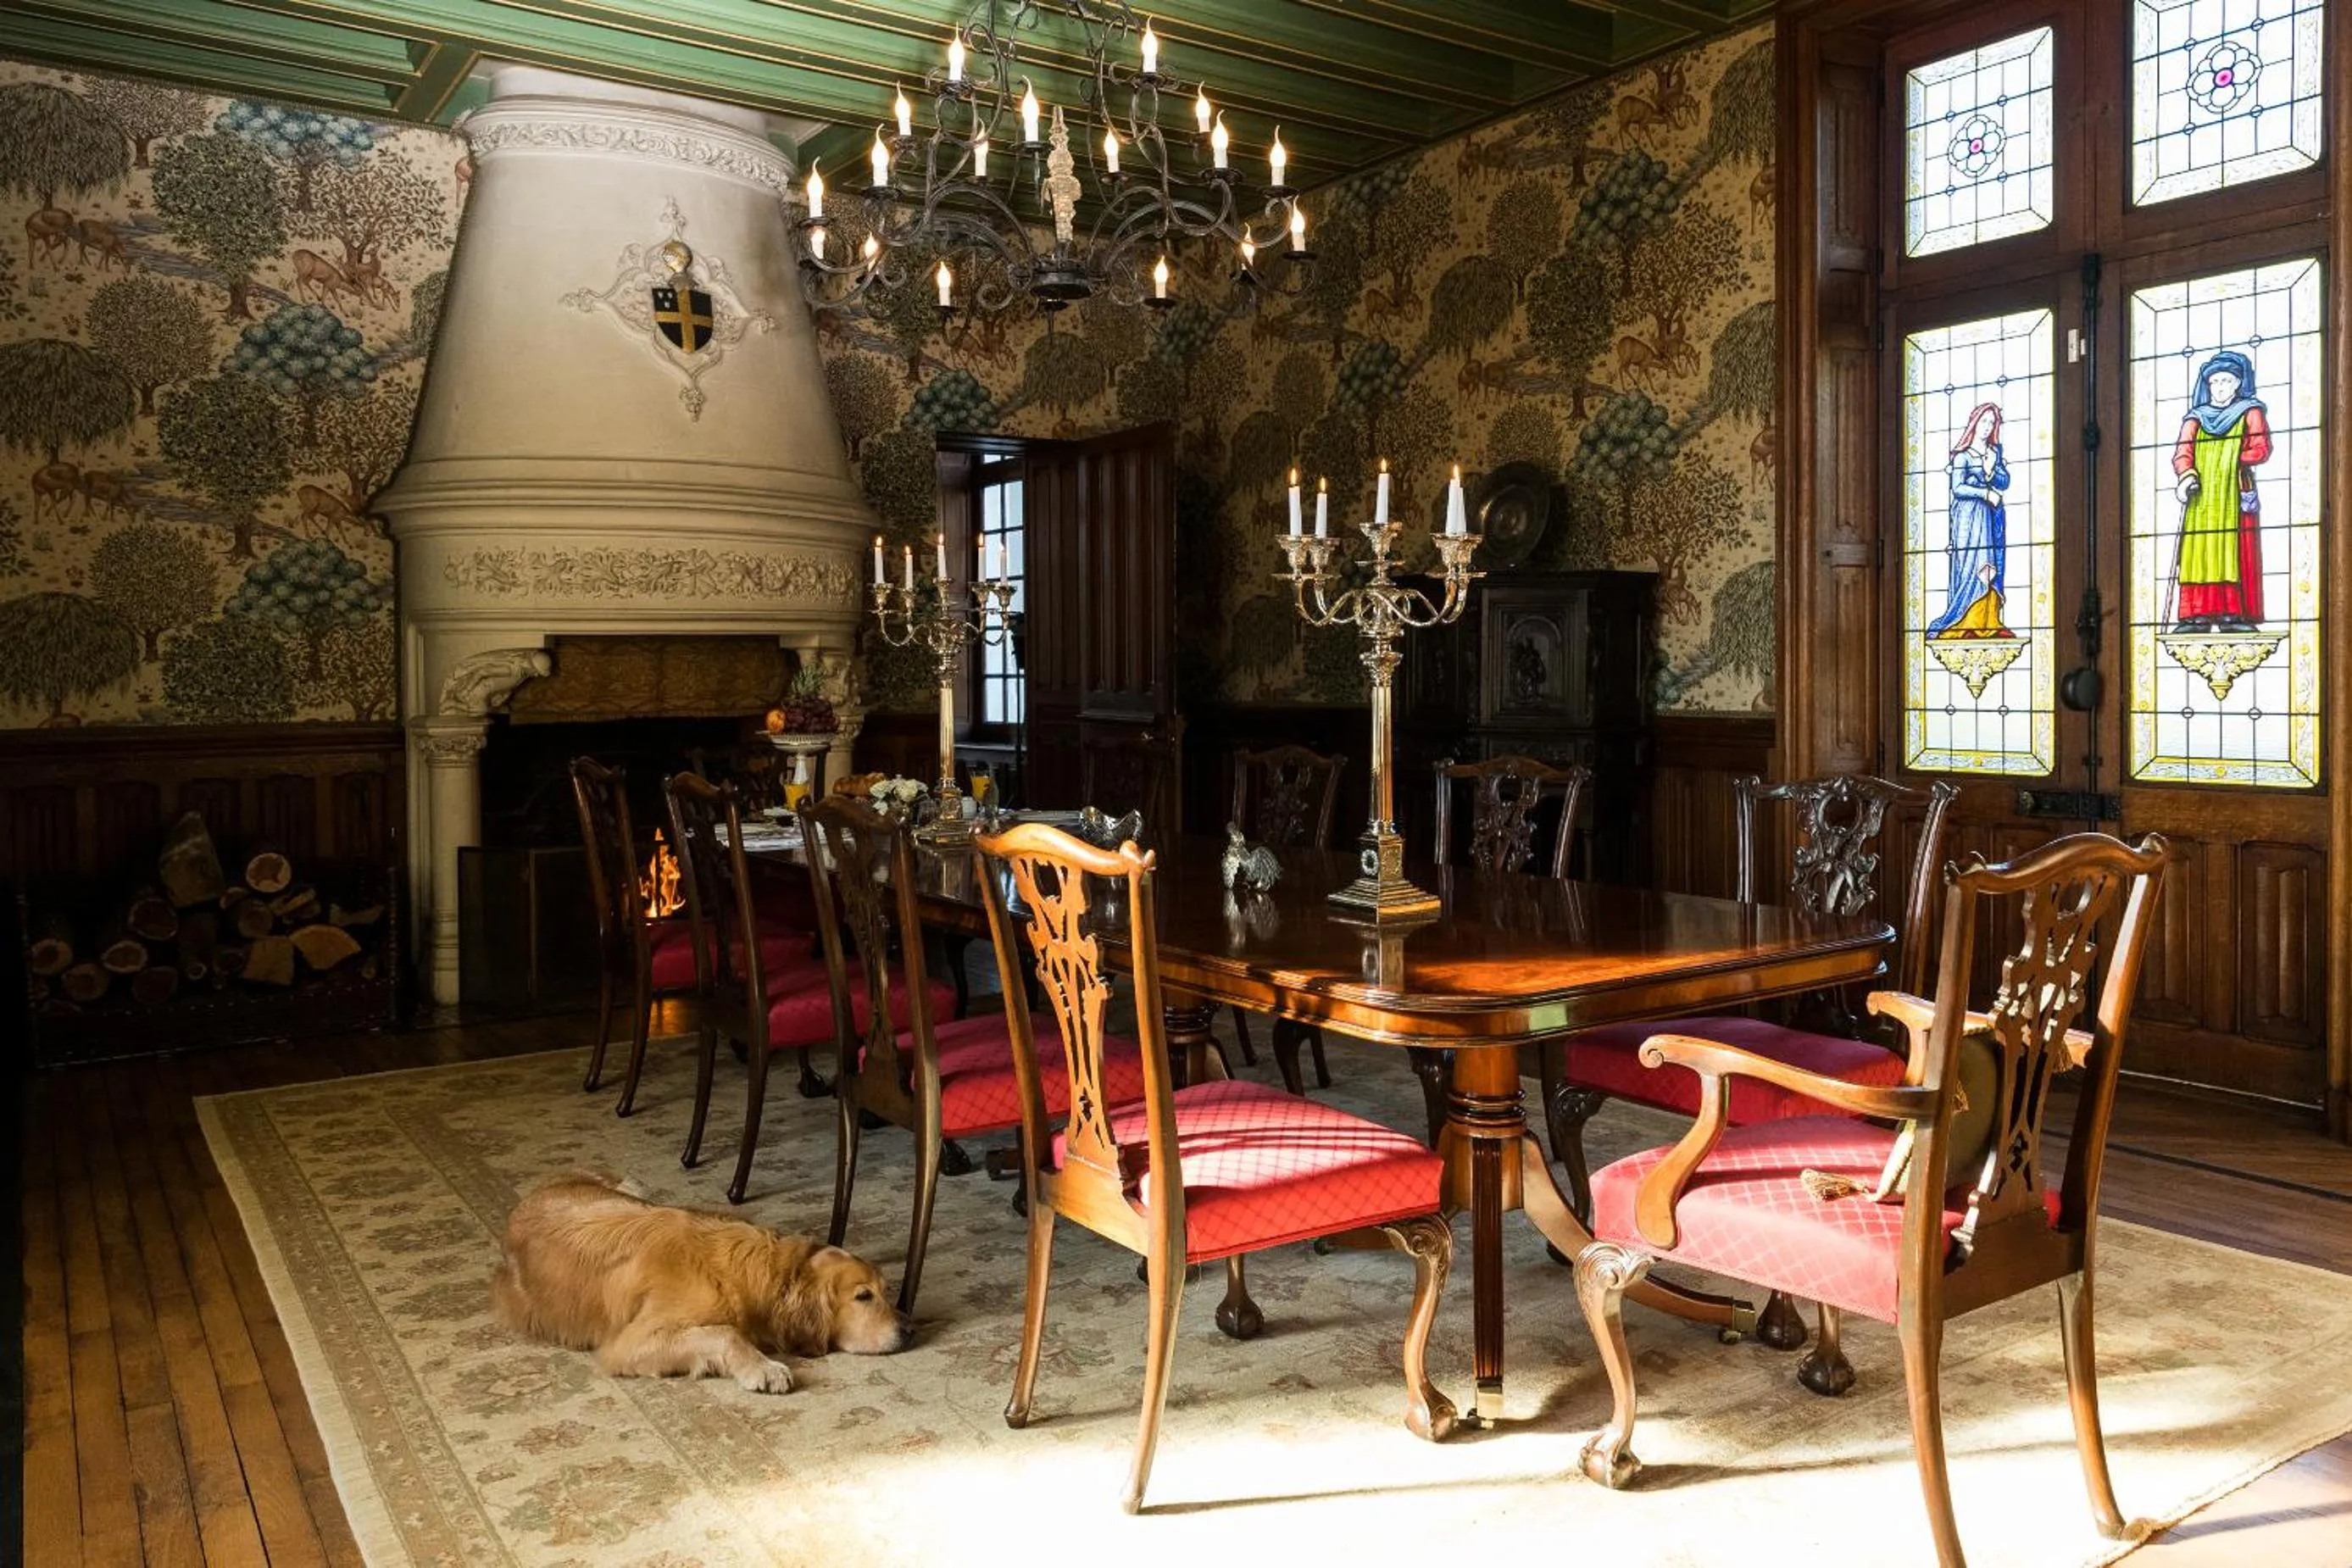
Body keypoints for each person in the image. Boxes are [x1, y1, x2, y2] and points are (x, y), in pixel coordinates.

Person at [2170, 349, 2268, 634]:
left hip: (2234, 495)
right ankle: (2196, 615)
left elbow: (2260, 449)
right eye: (2214, 382)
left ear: (2238, 383)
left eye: (2226, 381)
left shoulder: (2250, 412)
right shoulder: (2196, 418)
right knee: (2199, 552)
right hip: (2201, 498)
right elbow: (2182, 453)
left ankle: (2232, 614)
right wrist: (2187, 475)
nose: (2220, 387)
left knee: (2234, 551)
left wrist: (2230, 458)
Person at [1927, 401, 2012, 639]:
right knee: (1971, 566)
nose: (1987, 427)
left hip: (1991, 518)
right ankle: (1965, 622)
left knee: (1992, 565)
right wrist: (1985, 493)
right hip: (1968, 517)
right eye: (1984, 421)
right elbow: (1957, 488)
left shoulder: (1995, 454)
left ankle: (1989, 622)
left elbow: (2004, 482)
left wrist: (1992, 469)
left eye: (1992, 422)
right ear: (1975, 423)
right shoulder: (1962, 456)